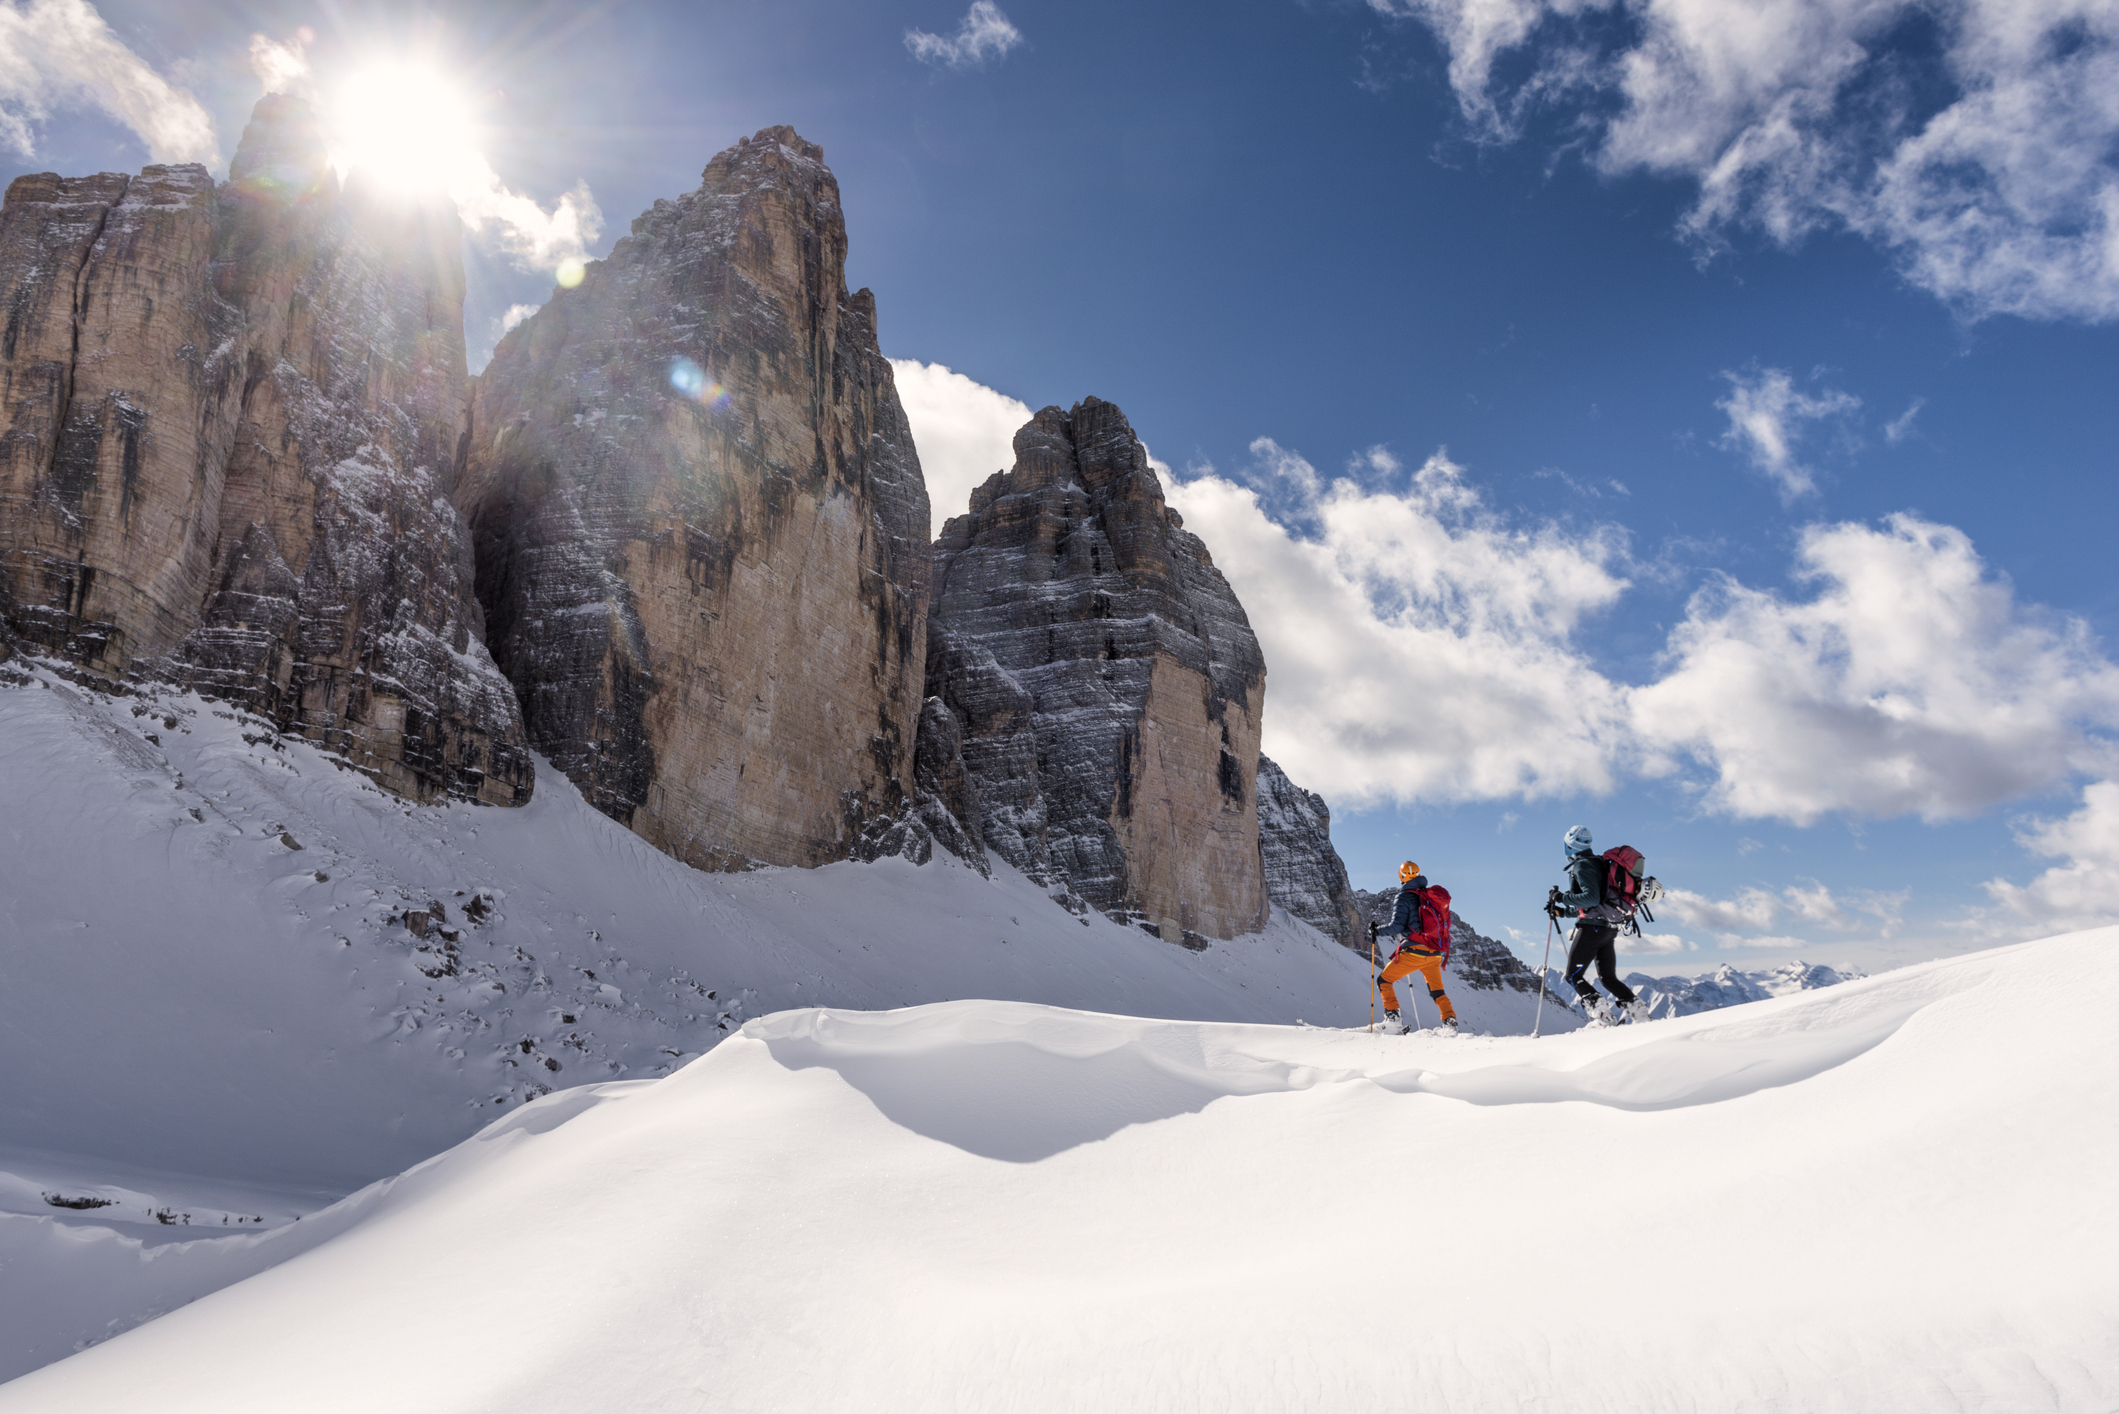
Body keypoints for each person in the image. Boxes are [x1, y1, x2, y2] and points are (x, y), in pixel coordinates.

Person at [1548, 825, 1646, 1025]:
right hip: (1608, 928)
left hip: (1592, 929)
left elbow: (1591, 899)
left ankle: (1604, 1020)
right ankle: (1640, 1015)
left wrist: (1561, 897)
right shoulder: (1600, 863)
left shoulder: (1583, 865)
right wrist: (1563, 911)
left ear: (1569, 845)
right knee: (1608, 978)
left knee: (1573, 976)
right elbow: (1598, 902)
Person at [1375, 861, 1458, 1034]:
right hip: (1434, 954)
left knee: (1384, 980)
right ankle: (1450, 1022)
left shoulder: (1404, 896)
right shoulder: (1427, 895)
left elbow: (1396, 927)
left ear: (1401, 876)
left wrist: (1375, 931)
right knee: (1437, 991)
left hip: (1414, 953)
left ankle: (1393, 1020)